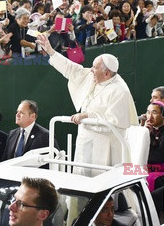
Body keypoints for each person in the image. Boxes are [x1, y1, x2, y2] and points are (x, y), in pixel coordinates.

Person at [36, 34, 138, 176]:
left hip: (105, 147)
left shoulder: (120, 91)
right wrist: (51, 52)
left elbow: (115, 124)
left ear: (107, 73)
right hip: (85, 139)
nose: (91, 70)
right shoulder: (94, 76)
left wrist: (88, 116)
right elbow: (72, 69)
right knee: (81, 179)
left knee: (100, 184)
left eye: (95, 68)